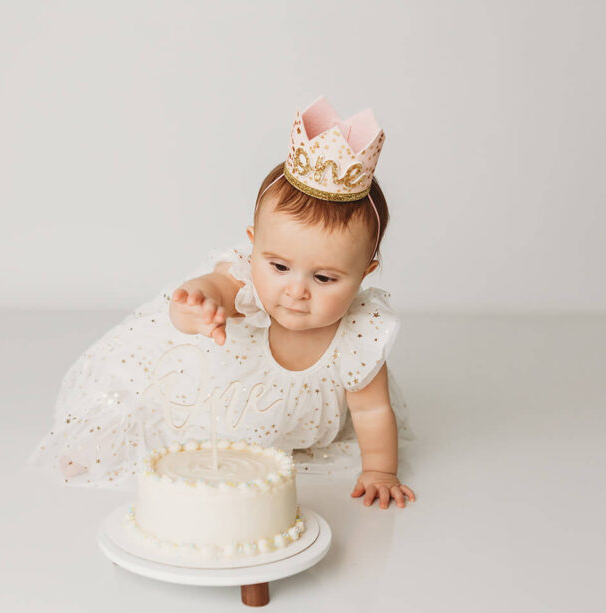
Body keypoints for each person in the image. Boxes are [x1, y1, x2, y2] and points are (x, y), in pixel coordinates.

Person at [30, 96, 416, 509]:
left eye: (324, 278)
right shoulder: (246, 285)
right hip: (211, 416)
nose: (296, 290)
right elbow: (213, 288)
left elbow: (373, 412)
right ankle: (100, 445)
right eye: (279, 266)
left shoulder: (359, 334)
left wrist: (380, 470)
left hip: (284, 446)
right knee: (151, 415)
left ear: (364, 275)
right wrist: (197, 304)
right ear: (253, 250)